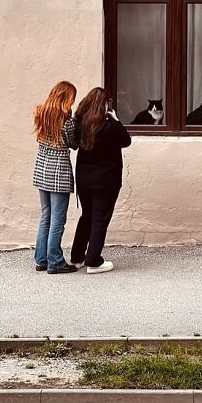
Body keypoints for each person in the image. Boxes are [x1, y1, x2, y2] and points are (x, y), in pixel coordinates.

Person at [70, 87, 131, 273]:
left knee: (87, 216)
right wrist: (117, 120)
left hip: (84, 180)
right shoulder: (109, 125)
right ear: (104, 105)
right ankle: (94, 261)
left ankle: (77, 257)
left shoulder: (80, 124)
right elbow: (126, 140)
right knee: (99, 220)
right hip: (106, 182)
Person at [32, 80, 79, 274]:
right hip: (59, 170)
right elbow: (73, 143)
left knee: (46, 216)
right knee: (58, 219)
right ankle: (55, 261)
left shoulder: (40, 113)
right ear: (67, 98)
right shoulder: (66, 120)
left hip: (42, 168)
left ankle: (41, 259)